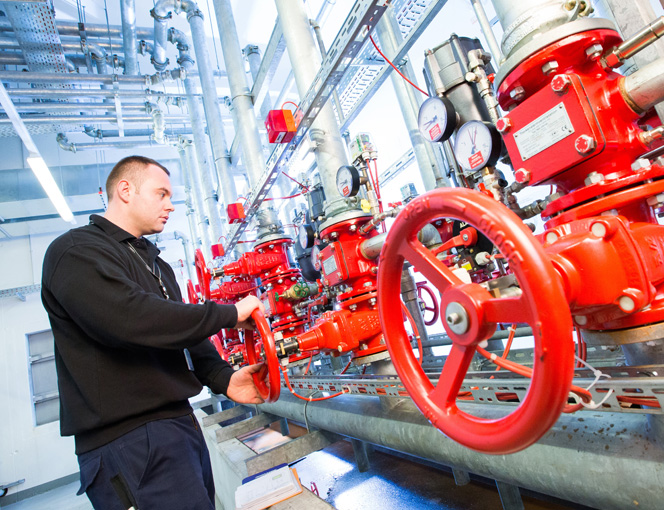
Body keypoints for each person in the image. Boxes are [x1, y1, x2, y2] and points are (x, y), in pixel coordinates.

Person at [41, 155, 266, 510]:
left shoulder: (157, 264)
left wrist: (223, 378)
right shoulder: (76, 252)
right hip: (128, 443)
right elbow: (132, 319)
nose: (171, 205)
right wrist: (228, 314)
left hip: (178, 425)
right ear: (125, 190)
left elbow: (182, 334)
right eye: (161, 194)